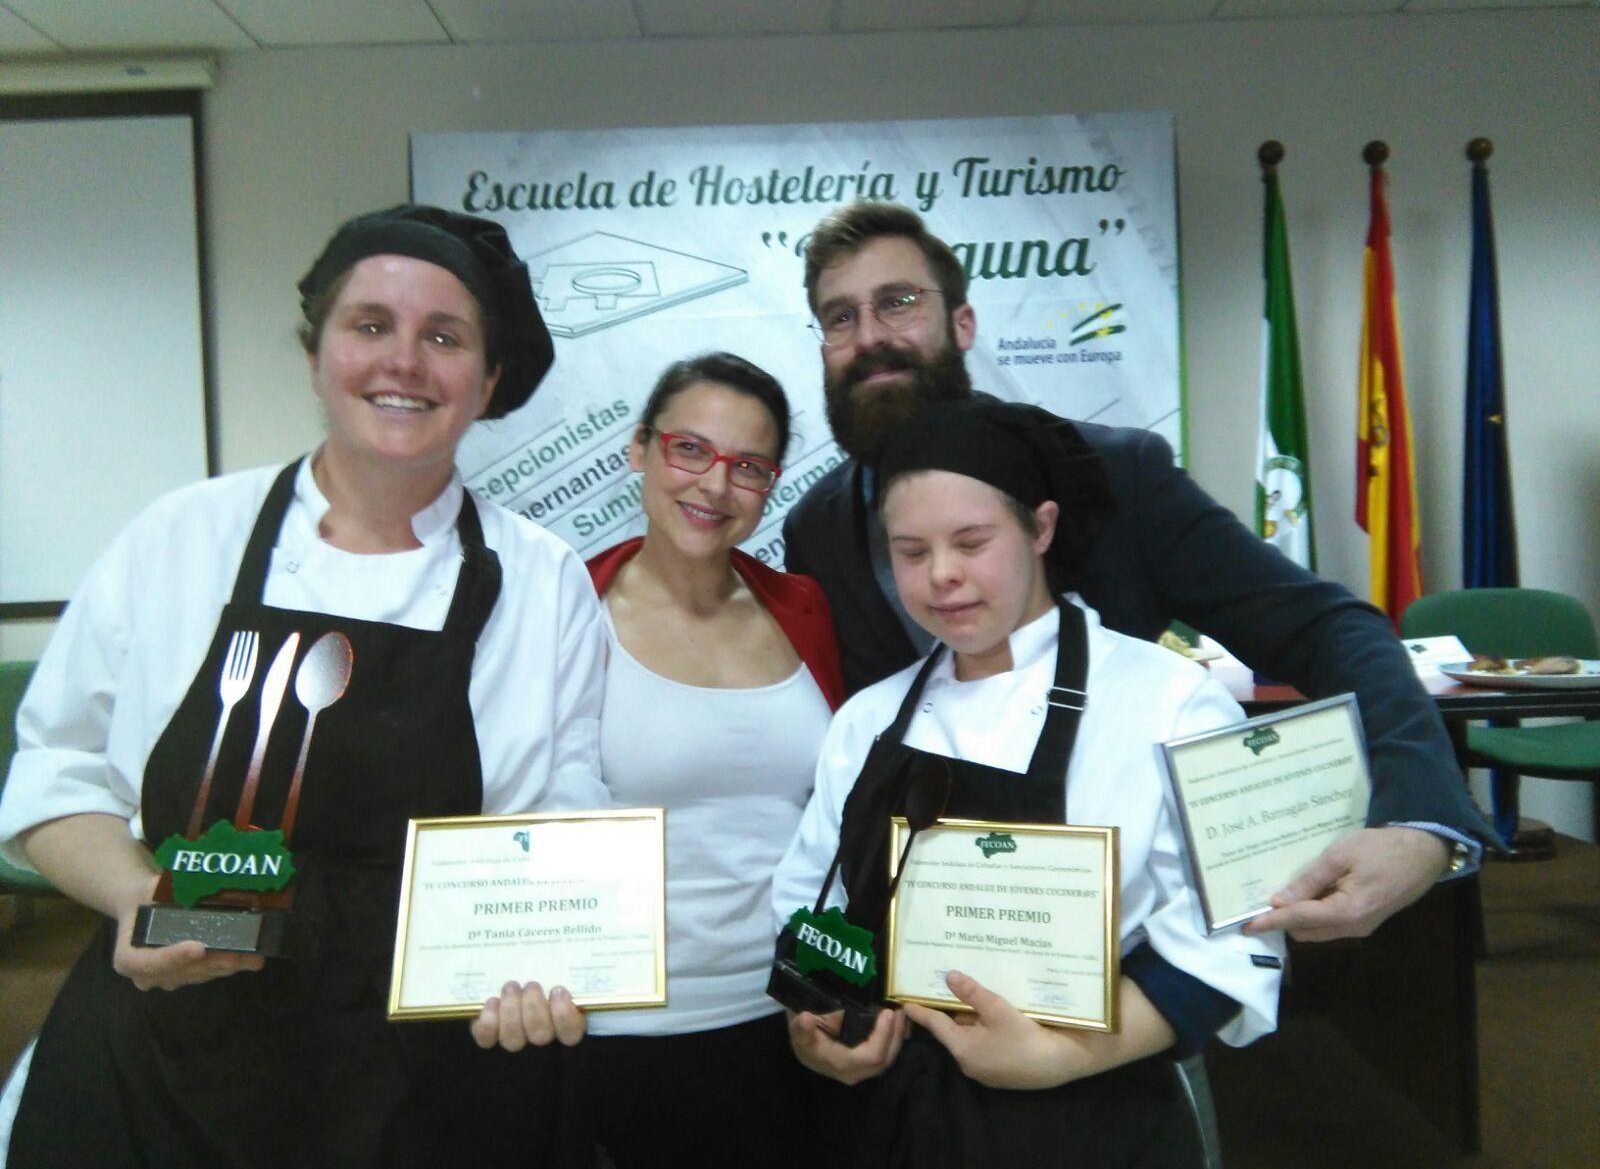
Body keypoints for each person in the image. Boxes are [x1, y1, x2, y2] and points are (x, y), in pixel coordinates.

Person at [0, 206, 603, 1166]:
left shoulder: (544, 581)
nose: (403, 361)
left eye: (443, 337)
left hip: (424, 1077)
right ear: (315, 351)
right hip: (171, 1051)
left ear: (487, 382)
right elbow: (58, 769)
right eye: (370, 325)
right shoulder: (183, 537)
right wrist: (136, 894)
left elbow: (561, 827)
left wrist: (541, 963)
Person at [780, 199, 1494, 944]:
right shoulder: (817, 529)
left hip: (1127, 937)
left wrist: (1419, 820)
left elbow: (1325, 628)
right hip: (920, 930)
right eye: (840, 317)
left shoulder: (1117, 475)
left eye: (899, 303)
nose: (870, 338)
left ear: (962, 324)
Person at [772, 397, 1283, 1169]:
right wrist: (816, 1022)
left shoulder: (1167, 700)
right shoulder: (869, 721)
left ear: (1041, 528)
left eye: (972, 542)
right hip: (894, 1112)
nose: (942, 575)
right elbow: (818, 897)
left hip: (1096, 1109)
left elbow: (1235, 934)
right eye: (911, 552)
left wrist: (1062, 1058)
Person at [579, 353, 844, 1168]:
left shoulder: (804, 605)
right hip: (623, 1033)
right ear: (639, 450)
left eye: (749, 467)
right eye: (689, 449)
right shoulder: (568, 608)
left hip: (793, 1022)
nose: (714, 486)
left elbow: (832, 817)